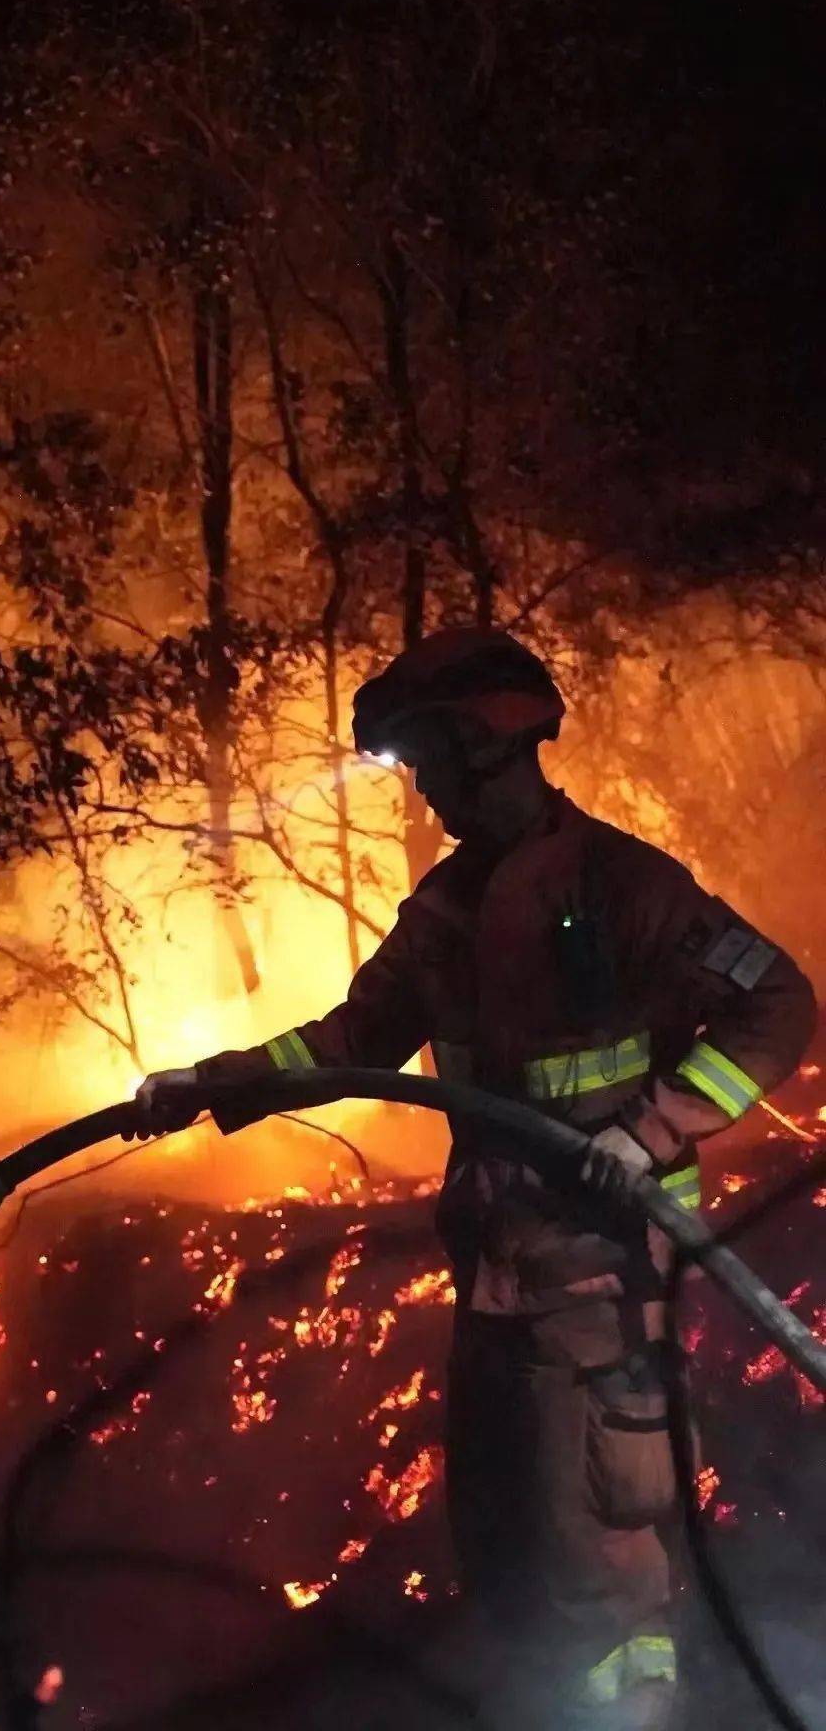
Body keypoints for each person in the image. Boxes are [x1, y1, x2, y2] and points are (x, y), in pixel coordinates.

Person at [120, 628, 816, 1730]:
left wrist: (653, 1133)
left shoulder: (626, 886)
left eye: (431, 764)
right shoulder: (444, 915)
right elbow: (351, 1037)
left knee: (600, 1560)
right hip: (496, 1288)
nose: (426, 793)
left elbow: (779, 1002)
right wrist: (217, 1081)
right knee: (505, 1550)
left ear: (487, 749)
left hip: (602, 1288)